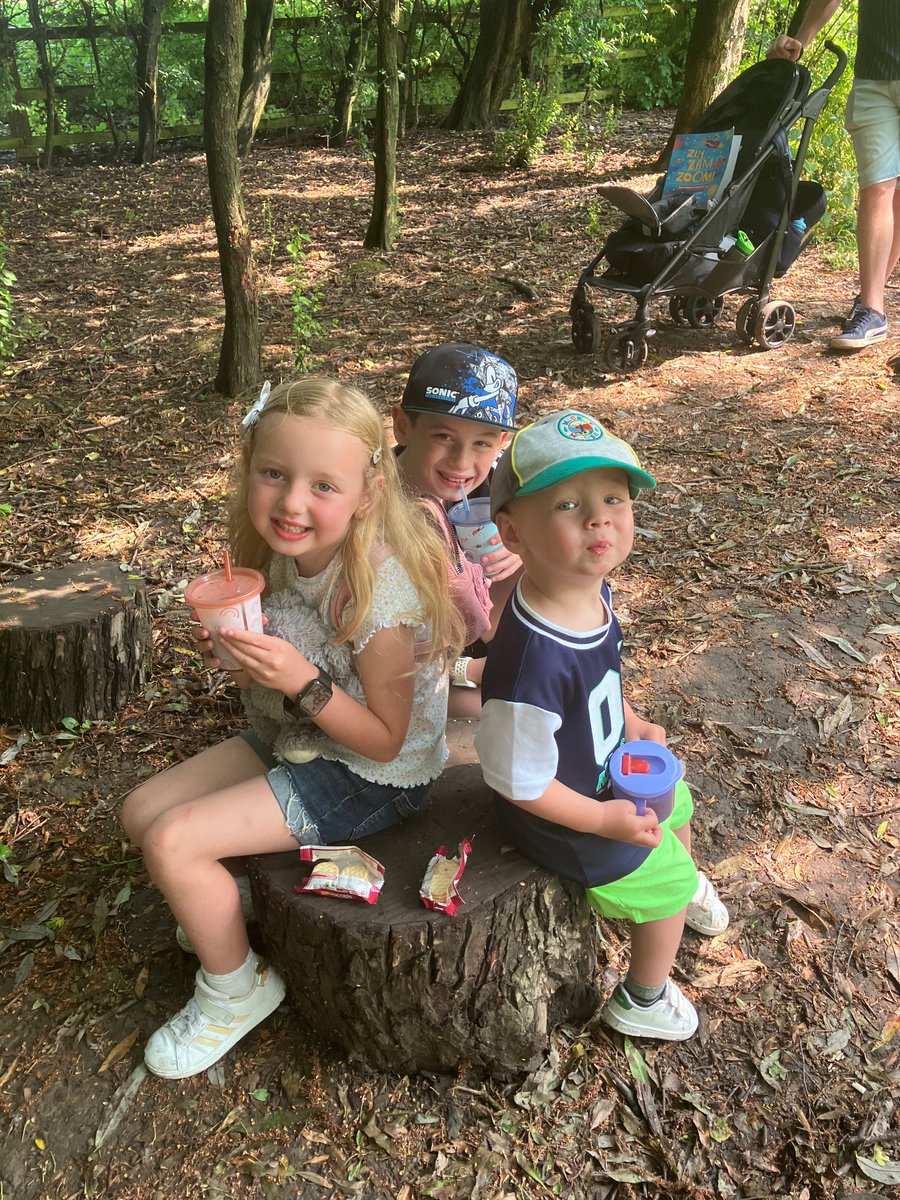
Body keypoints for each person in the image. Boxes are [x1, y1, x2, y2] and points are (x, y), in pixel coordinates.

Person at [121, 377, 462, 1079]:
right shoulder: (280, 557)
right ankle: (225, 909)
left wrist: (298, 681)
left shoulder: (377, 589)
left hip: (369, 776)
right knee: (141, 813)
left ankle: (235, 992)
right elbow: (278, 672)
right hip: (298, 734)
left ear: (367, 494)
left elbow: (385, 741)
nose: (292, 502)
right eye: (274, 474)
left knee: (174, 843)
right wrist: (245, 661)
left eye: (322, 486)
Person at [474, 409, 728, 1041]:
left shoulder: (591, 590)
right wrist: (604, 820)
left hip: (602, 769)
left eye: (614, 497)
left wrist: (633, 721)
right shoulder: (531, 663)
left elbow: (603, 679)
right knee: (665, 882)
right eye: (567, 505)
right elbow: (516, 781)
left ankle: (673, 880)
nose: (599, 518)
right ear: (512, 533)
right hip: (560, 815)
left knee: (679, 800)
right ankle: (644, 996)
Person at [392, 342, 522, 717]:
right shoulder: (369, 493)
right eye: (443, 437)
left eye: (481, 443)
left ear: (501, 442)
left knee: (542, 551)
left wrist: (521, 549)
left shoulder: (501, 488)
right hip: (394, 649)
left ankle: (507, 678)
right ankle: (487, 686)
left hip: (477, 636)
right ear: (403, 426)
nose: (461, 462)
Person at [769, 0, 900, 351]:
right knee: (877, 186)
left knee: (895, 190)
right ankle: (872, 310)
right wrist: (802, 39)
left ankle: (871, 298)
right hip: (873, 78)